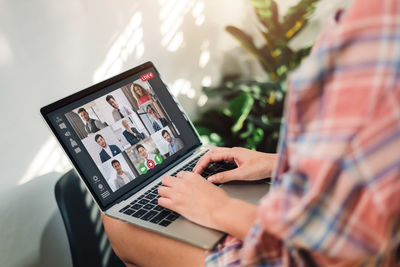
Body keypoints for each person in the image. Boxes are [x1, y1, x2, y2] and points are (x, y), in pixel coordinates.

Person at [101, 1, 400, 266]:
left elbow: (317, 250)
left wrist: (222, 209)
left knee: (118, 224)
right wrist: (278, 163)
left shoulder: (378, 34)